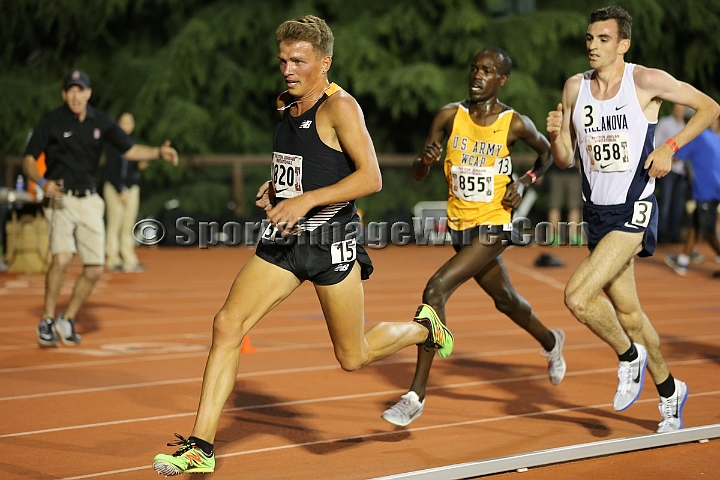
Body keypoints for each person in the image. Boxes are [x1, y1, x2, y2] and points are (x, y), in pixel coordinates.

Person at [151, 15, 453, 476]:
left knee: (352, 357)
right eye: (283, 60)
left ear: (324, 62)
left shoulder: (341, 107)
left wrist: (307, 200)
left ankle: (423, 328)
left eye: (299, 61)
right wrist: (277, 189)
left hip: (330, 243)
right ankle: (200, 448)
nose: (288, 69)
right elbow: (306, 164)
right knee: (227, 324)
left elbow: (371, 178)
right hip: (285, 239)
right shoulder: (285, 105)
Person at [546, 5, 720, 433]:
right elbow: (567, 160)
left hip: (634, 208)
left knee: (577, 297)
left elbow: (709, 107)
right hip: (597, 213)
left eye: (603, 39)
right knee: (630, 314)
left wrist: (671, 147)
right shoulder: (574, 88)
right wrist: (555, 137)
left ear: (622, 44)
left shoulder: (645, 81)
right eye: (590, 38)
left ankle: (628, 357)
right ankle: (670, 391)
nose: (593, 46)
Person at [381, 47, 566, 428]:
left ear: (502, 80)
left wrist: (526, 180)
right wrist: (425, 161)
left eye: (488, 70)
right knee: (507, 301)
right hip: (459, 226)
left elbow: (546, 154)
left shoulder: (514, 123)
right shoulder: (450, 115)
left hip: (495, 224)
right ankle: (551, 341)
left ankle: (415, 395)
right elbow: (418, 172)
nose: (477, 76)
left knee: (435, 290)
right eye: (474, 68)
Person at [23, 70, 179, 348]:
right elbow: (28, 161)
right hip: (59, 198)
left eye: (80, 90)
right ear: (64, 94)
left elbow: (129, 150)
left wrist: (158, 152)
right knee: (61, 259)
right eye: (70, 90)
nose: (75, 95)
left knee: (94, 269)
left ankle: (66, 318)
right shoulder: (51, 121)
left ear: (88, 93)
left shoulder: (101, 121)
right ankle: (47, 319)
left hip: (90, 200)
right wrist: (42, 182)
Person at [664, 116, 720, 276]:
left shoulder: (696, 136)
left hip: (706, 190)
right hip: (713, 187)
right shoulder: (712, 136)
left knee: (707, 230)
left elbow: (675, 158)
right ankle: (682, 262)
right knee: (695, 225)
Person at [103, 112, 148, 273]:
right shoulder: (112, 145)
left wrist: (141, 164)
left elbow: (133, 168)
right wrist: (120, 189)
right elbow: (111, 170)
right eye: (124, 123)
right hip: (115, 188)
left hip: (131, 188)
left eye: (130, 123)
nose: (127, 126)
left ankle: (129, 259)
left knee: (128, 226)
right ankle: (113, 259)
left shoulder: (133, 144)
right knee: (115, 224)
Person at [654, 104, 689, 244]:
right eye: (677, 108)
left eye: (682, 108)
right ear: (674, 108)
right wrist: (668, 155)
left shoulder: (687, 125)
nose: (679, 111)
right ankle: (662, 234)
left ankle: (674, 234)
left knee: (678, 204)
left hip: (683, 170)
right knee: (666, 201)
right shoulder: (665, 123)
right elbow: (656, 142)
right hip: (667, 168)